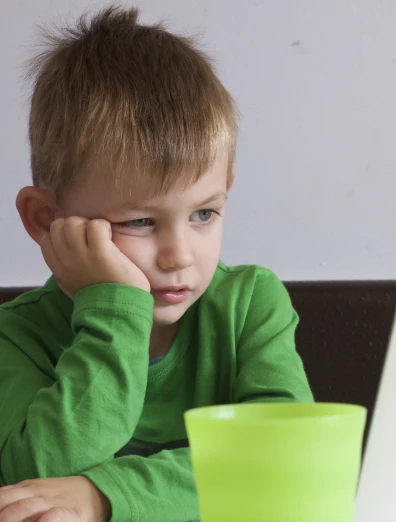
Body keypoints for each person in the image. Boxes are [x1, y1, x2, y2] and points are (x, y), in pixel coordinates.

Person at [0, 5, 313, 521]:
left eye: (204, 213)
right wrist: (115, 312)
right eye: (140, 222)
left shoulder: (250, 305)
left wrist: (105, 496)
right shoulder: (16, 337)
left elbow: (282, 459)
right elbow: (37, 474)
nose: (179, 255)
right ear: (45, 219)